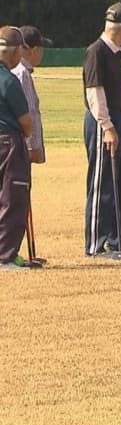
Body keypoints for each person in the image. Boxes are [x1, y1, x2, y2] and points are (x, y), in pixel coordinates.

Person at [83, 2, 121, 257]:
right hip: (103, 122)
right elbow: (95, 92)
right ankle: (96, 243)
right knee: (102, 181)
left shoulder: (116, 52)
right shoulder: (97, 51)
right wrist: (107, 126)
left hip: (120, 119)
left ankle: (118, 241)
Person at [0, 26, 33, 270]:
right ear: (11, 52)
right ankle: (6, 254)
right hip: (8, 142)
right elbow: (26, 122)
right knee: (13, 196)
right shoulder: (8, 80)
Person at [12, 26, 53, 165]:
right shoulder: (22, 73)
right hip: (20, 148)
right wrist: (34, 147)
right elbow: (29, 112)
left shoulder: (11, 69)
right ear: (34, 50)